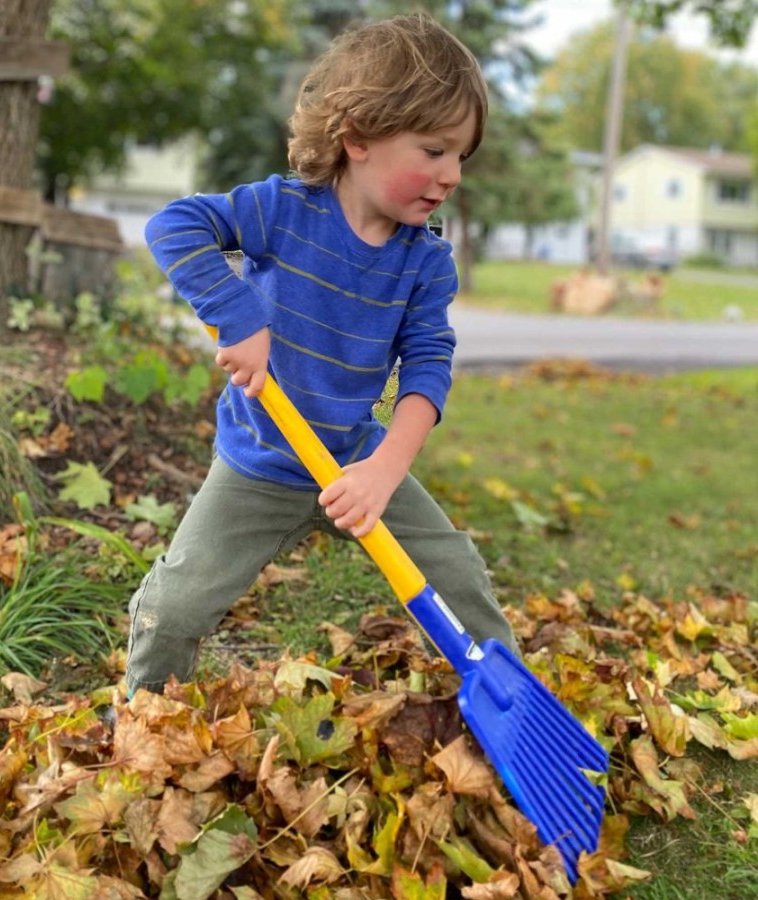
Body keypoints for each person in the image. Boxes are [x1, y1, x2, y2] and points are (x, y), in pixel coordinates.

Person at [125, 12, 520, 697]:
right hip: (261, 461)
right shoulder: (281, 211)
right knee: (178, 606)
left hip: (357, 458)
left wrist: (382, 471)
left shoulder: (424, 264)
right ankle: (141, 716)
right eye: (434, 150)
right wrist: (239, 315)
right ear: (358, 135)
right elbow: (174, 226)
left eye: (462, 155)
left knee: (458, 579)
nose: (452, 174)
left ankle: (511, 702)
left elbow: (429, 367)